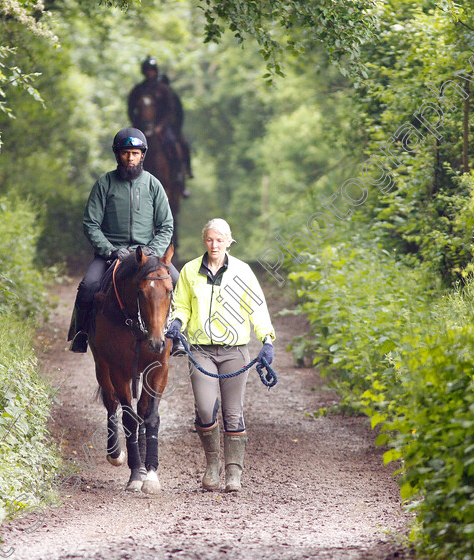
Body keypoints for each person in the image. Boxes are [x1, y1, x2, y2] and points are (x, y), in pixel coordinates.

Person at [165, 219, 276, 491]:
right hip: (201, 351)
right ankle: (212, 465)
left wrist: (267, 340)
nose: (214, 245)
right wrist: (177, 322)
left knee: (233, 412)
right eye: (210, 239)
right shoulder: (190, 271)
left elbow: (257, 310)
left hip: (235, 351)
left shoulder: (243, 272)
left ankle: (233, 473)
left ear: (229, 241)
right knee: (205, 409)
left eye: (220, 240)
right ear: (204, 241)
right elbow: (181, 306)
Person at [67, 127, 179, 354]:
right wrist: (109, 250)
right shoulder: (104, 184)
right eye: (126, 153)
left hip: (147, 254)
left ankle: (178, 336)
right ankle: (81, 333)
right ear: (117, 154)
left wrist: (152, 250)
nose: (130, 158)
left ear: (142, 155)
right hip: (111, 254)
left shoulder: (153, 185)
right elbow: (91, 223)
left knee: (177, 282)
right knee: (88, 286)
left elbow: (166, 225)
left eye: (135, 153)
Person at [127, 56, 192, 189]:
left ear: (155, 71)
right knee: (127, 148)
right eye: (147, 70)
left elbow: (170, 110)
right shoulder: (138, 90)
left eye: (151, 70)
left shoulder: (163, 89)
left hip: (162, 126)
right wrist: (137, 125)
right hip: (142, 128)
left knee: (172, 143)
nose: (149, 73)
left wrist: (160, 127)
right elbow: (130, 109)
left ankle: (178, 175)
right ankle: (126, 178)